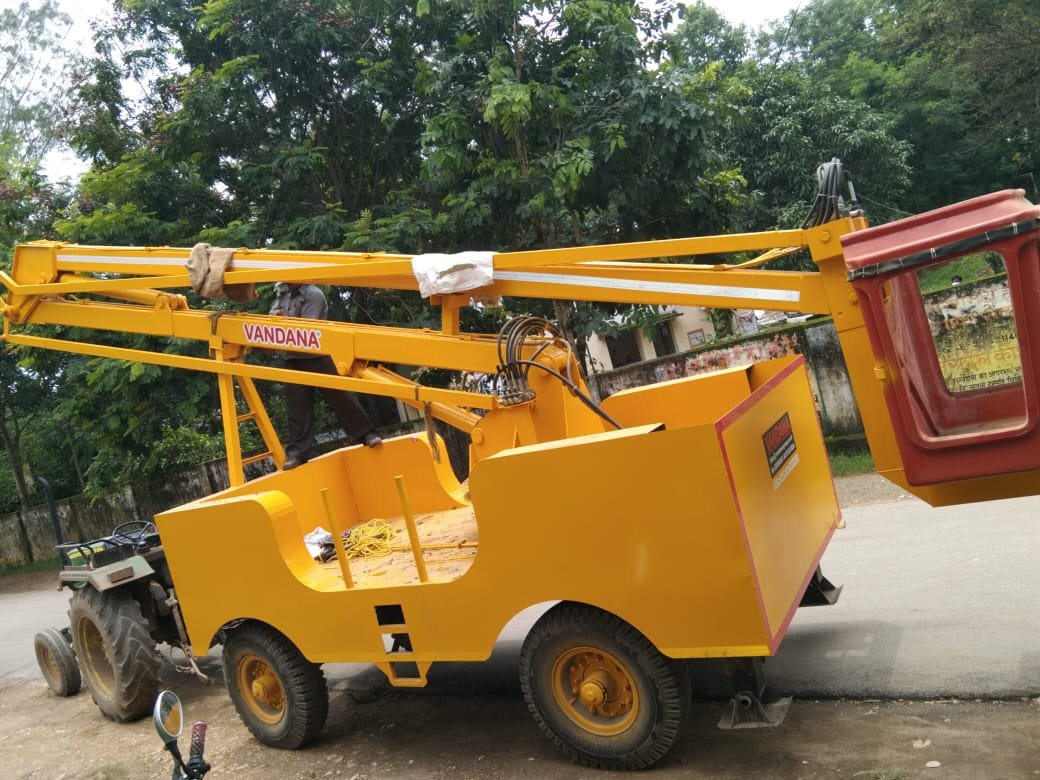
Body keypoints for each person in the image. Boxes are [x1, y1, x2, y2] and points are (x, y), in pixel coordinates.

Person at [269, 282, 382, 469]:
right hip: (292, 358)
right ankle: (297, 454)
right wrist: (275, 319)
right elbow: (271, 318)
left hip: (318, 356)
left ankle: (366, 434)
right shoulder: (282, 293)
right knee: (296, 408)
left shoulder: (313, 294)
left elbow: (307, 330)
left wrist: (283, 319)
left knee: (341, 397)